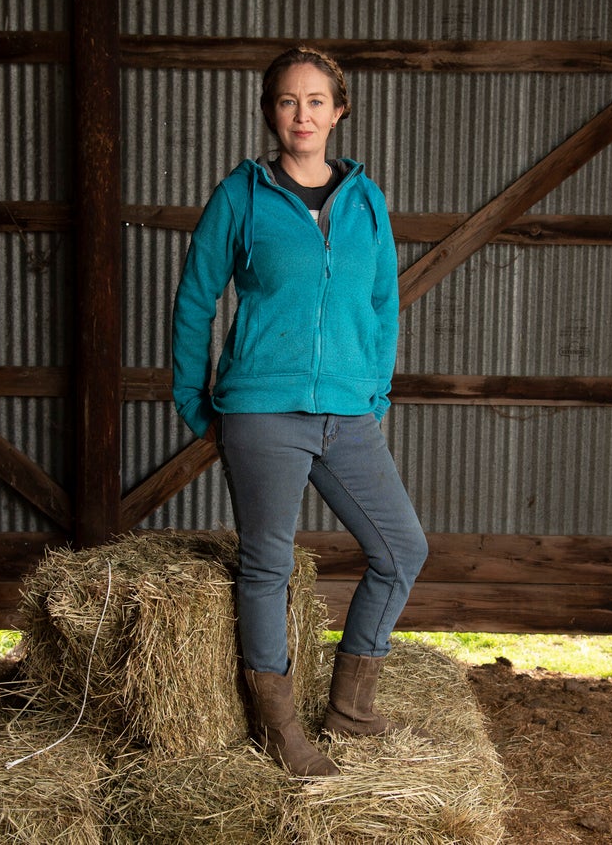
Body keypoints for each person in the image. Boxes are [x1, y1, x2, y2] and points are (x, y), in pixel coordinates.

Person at [171, 47, 429, 777]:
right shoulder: (241, 196)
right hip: (261, 411)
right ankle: (280, 731)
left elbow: (382, 304)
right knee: (268, 567)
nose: (302, 115)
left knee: (401, 550)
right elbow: (195, 300)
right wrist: (195, 400)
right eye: (288, 101)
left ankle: (350, 708)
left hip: (347, 414)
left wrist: (372, 393)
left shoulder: (365, 201)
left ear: (338, 111)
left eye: (316, 101)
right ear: (269, 112)